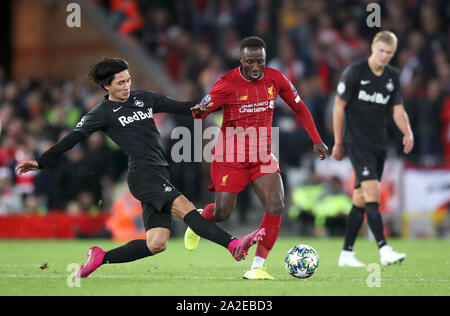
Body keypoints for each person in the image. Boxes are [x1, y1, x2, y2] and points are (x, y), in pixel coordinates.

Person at [15, 58, 265, 278]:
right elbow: (73, 138)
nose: (126, 87)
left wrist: (225, 101)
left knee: (157, 244)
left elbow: (186, 108)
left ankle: (101, 257)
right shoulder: (102, 113)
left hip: (159, 172)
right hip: (143, 174)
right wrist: (40, 162)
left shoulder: (143, 99)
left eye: (128, 81)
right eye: (120, 83)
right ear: (106, 86)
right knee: (187, 209)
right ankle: (234, 245)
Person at [184, 36, 328, 280]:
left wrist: (316, 139)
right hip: (230, 156)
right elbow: (203, 108)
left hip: (262, 154)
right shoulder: (227, 83)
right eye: (250, 62)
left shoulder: (276, 78)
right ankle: (198, 220)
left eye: (260, 62)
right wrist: (199, 112)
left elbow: (299, 106)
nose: (255, 67)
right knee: (223, 212)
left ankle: (257, 266)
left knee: (276, 204)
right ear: (241, 59)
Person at [331, 31, 414, 267]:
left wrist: (407, 132)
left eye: (389, 53)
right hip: (357, 144)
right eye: (381, 51)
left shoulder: (392, 77)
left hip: (380, 144)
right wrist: (338, 142)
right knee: (372, 195)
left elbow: (398, 110)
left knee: (360, 198)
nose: (384, 56)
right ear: (372, 48)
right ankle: (384, 249)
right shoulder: (355, 73)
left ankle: (346, 253)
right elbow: (339, 107)